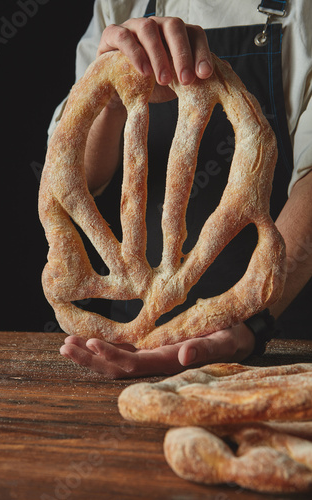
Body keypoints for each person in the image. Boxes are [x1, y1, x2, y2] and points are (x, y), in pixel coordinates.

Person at [47, 0, 312, 378]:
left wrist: (248, 324)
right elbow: (76, 178)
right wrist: (113, 99)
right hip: (124, 336)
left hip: (274, 340)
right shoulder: (120, 5)